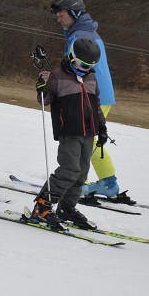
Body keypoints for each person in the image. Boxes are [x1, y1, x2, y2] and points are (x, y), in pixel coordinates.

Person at [29, 37, 107, 230]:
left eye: (89, 66)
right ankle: (42, 206)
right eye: (81, 64)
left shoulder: (91, 77)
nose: (84, 69)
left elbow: (96, 105)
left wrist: (102, 128)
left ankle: (67, 208)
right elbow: (45, 100)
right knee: (69, 170)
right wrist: (41, 88)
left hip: (88, 133)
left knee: (81, 174)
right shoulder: (57, 76)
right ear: (72, 57)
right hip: (69, 132)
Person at [51, 0, 122, 199]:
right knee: (90, 140)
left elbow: (73, 69)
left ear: (74, 14)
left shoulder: (79, 36)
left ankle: (79, 184)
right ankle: (108, 184)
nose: (59, 19)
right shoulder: (89, 32)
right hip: (100, 93)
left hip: (90, 93)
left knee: (83, 140)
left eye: (61, 15)